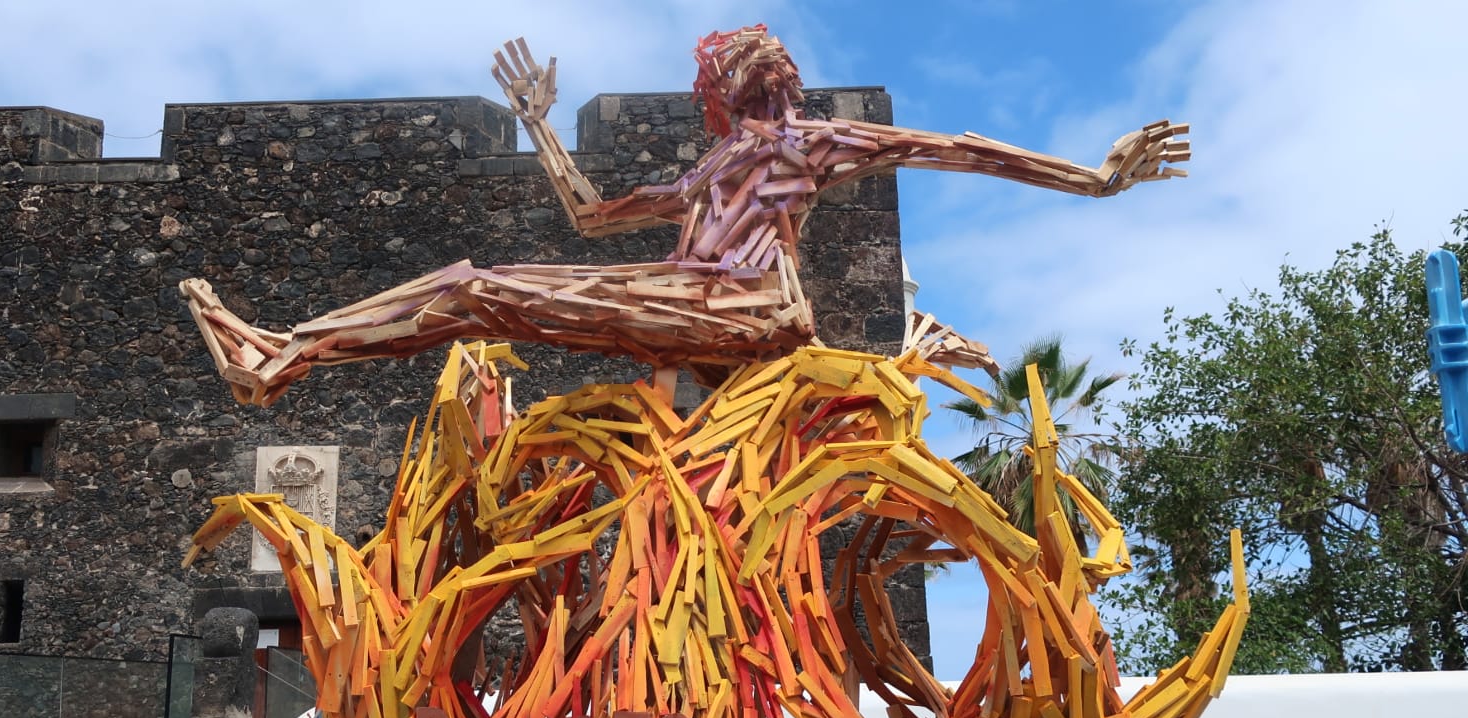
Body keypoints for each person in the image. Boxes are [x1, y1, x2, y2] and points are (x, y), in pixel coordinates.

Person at [183, 25, 1187, 407]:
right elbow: (587, 218)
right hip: (695, 309)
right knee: (473, 285)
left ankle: (282, 356)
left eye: (749, 54)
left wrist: (1095, 179)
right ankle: (282, 356)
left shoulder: (814, 140)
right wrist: (538, 128)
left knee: (474, 286)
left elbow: (956, 149)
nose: (747, 64)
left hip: (747, 308)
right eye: (733, 60)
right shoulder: (714, 164)